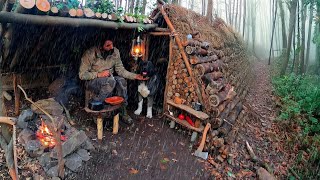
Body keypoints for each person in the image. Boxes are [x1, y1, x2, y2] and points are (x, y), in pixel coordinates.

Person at [79, 40, 147, 125]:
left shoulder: (115, 52)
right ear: (100, 45)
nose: (111, 47)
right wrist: (98, 74)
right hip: (92, 81)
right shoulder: (90, 54)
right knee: (110, 82)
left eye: (112, 44)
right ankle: (97, 110)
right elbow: (82, 75)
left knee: (121, 81)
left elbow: (120, 70)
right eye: (108, 45)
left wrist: (135, 76)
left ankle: (123, 111)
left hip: (109, 78)